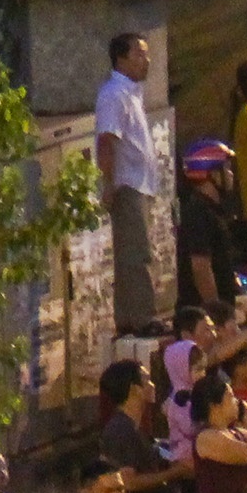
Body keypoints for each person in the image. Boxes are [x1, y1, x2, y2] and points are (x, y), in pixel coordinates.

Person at [95, 33, 161, 332]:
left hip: (141, 183)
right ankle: (142, 319)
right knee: (136, 255)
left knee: (133, 254)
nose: (146, 61)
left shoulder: (133, 93)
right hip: (128, 185)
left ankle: (129, 320)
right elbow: (106, 141)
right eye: (139, 54)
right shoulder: (114, 94)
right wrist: (108, 183)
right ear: (121, 58)